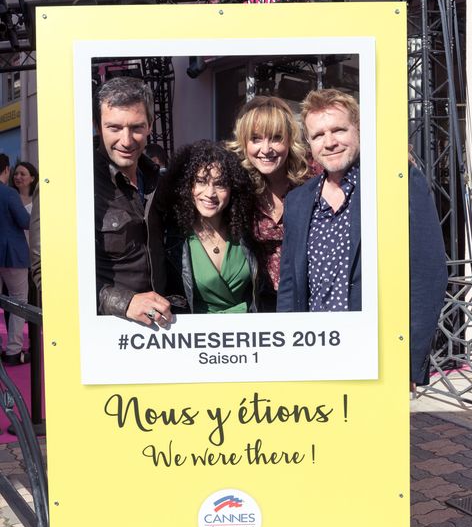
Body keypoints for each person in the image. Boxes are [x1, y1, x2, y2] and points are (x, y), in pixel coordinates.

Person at [277, 88, 448, 384]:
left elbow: (427, 275)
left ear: (358, 130)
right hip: (313, 359)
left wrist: (408, 362)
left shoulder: (397, 182)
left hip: (376, 359)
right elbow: (290, 288)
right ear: (309, 143)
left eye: (338, 130)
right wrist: (287, 355)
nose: (329, 142)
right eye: (318, 135)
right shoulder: (298, 201)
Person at [94, 76, 172, 326]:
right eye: (114, 128)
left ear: (150, 125)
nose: (126, 141)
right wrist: (125, 302)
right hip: (105, 332)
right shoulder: (72, 182)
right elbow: (48, 274)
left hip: (163, 330)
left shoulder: (159, 181)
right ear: (98, 126)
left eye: (136, 127)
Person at [152, 140, 258, 314]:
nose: (210, 193)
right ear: (186, 185)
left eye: (220, 184)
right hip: (195, 330)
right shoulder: (171, 238)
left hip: (247, 328)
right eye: (201, 181)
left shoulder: (247, 231)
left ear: (233, 188)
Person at [227, 96, 309, 309]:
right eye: (256, 139)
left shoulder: (312, 180)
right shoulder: (238, 185)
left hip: (308, 297)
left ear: (289, 139)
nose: (266, 149)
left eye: (276, 138)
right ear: (244, 142)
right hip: (262, 301)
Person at [0, 153, 30, 365]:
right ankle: (13, 351)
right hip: (12, 254)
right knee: (18, 301)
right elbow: (24, 221)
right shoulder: (9, 193)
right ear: (6, 170)